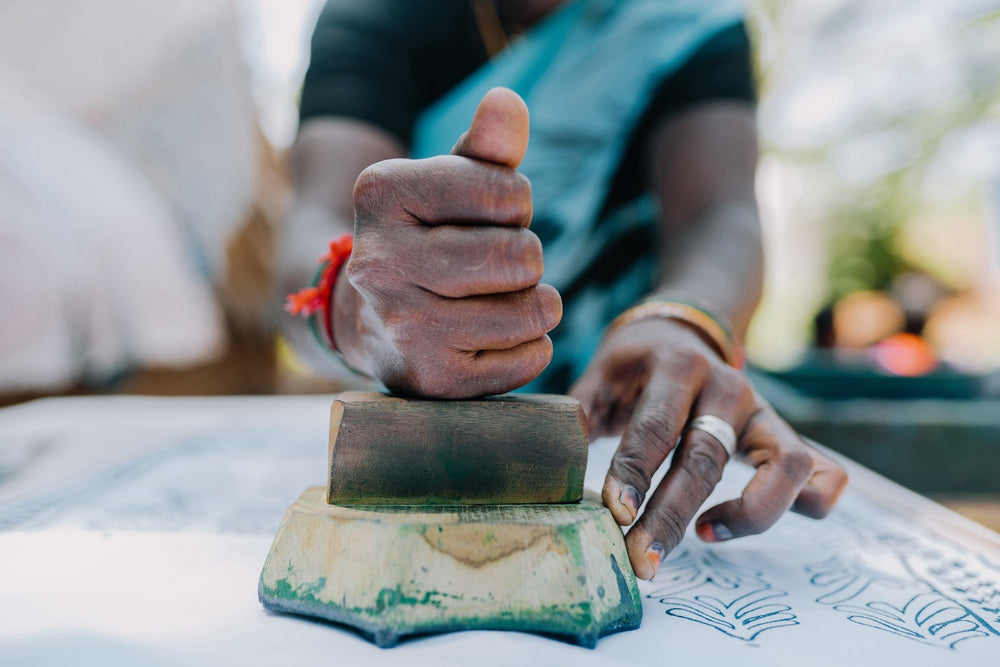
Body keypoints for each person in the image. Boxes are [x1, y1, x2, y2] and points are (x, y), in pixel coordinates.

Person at [279, 0, 848, 580]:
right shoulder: (376, 13)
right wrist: (357, 309)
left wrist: (681, 322)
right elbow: (316, 222)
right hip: (410, 429)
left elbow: (721, 215)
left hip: (624, 423)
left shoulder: (686, 19)